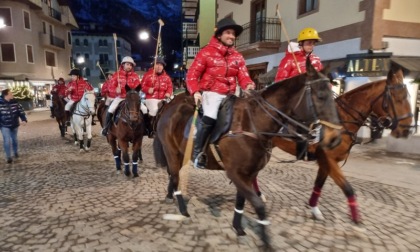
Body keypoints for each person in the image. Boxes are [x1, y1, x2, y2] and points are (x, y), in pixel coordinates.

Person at [186, 17, 255, 169]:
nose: (232, 36)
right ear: (219, 35)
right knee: (210, 116)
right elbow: (192, 75)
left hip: (232, 94)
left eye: (233, 34)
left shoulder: (238, 56)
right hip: (211, 93)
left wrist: (248, 85)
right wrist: (195, 91)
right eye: (228, 33)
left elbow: (243, 76)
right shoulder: (205, 52)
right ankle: (198, 153)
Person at [101, 56, 141, 136]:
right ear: (123, 65)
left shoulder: (135, 76)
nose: (129, 66)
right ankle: (106, 128)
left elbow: (137, 87)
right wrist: (116, 89)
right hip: (120, 97)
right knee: (110, 110)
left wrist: (134, 92)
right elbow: (110, 87)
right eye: (127, 64)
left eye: (130, 65)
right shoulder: (116, 75)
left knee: (144, 109)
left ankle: (145, 128)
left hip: (131, 99)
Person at [141, 56, 173, 138]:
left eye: (161, 65)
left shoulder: (167, 77)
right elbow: (142, 86)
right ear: (153, 66)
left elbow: (170, 87)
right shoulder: (147, 75)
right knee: (155, 110)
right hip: (151, 98)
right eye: (157, 64)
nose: (159, 66)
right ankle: (152, 130)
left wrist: (168, 93)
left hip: (163, 98)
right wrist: (148, 90)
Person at [0, 89, 27, 164]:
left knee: (14, 139)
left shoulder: (15, 102)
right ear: (6, 95)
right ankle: (8, 157)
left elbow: (21, 111)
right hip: (4, 125)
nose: (12, 94)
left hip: (14, 124)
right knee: (7, 140)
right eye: (10, 93)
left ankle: (15, 152)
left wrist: (23, 119)